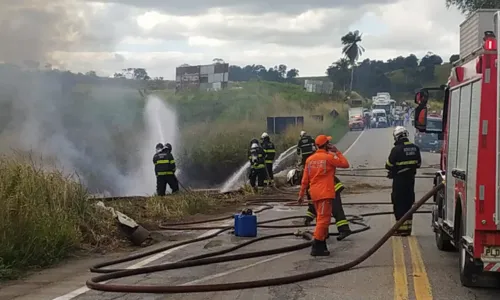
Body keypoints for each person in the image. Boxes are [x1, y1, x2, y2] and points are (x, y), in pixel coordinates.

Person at [298, 135, 350, 256]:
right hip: (325, 193)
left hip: (314, 193)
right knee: (323, 220)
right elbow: (345, 164)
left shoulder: (309, 160)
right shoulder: (329, 158)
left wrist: (301, 195)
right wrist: (336, 151)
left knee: (321, 219)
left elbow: (305, 180)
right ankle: (316, 246)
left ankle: (321, 246)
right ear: (326, 145)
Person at [385, 126, 421, 236]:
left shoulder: (396, 149)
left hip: (399, 181)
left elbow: (388, 165)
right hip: (410, 181)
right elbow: (418, 164)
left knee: (399, 203)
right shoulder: (415, 148)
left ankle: (400, 229)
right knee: (408, 203)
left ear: (397, 137)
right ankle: (407, 229)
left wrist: (394, 171)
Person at [304, 175, 352, 241]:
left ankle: (344, 230)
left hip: (332, 187)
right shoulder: (308, 181)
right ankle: (324, 233)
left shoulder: (308, 180)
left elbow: (312, 204)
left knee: (335, 209)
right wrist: (308, 218)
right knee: (322, 212)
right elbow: (313, 204)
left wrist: (308, 218)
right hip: (326, 189)